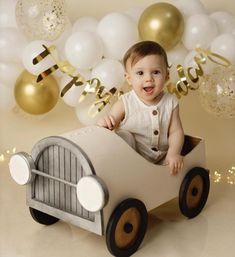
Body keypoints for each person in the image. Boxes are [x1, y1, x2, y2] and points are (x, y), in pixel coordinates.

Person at [97, 41, 184, 175]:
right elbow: (111, 124)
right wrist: (105, 123)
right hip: (131, 160)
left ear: (166, 76)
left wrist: (173, 154)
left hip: (162, 159)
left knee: (171, 168)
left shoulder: (170, 102)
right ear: (129, 78)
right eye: (140, 73)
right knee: (123, 135)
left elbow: (175, 132)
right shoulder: (125, 103)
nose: (148, 78)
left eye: (156, 72)